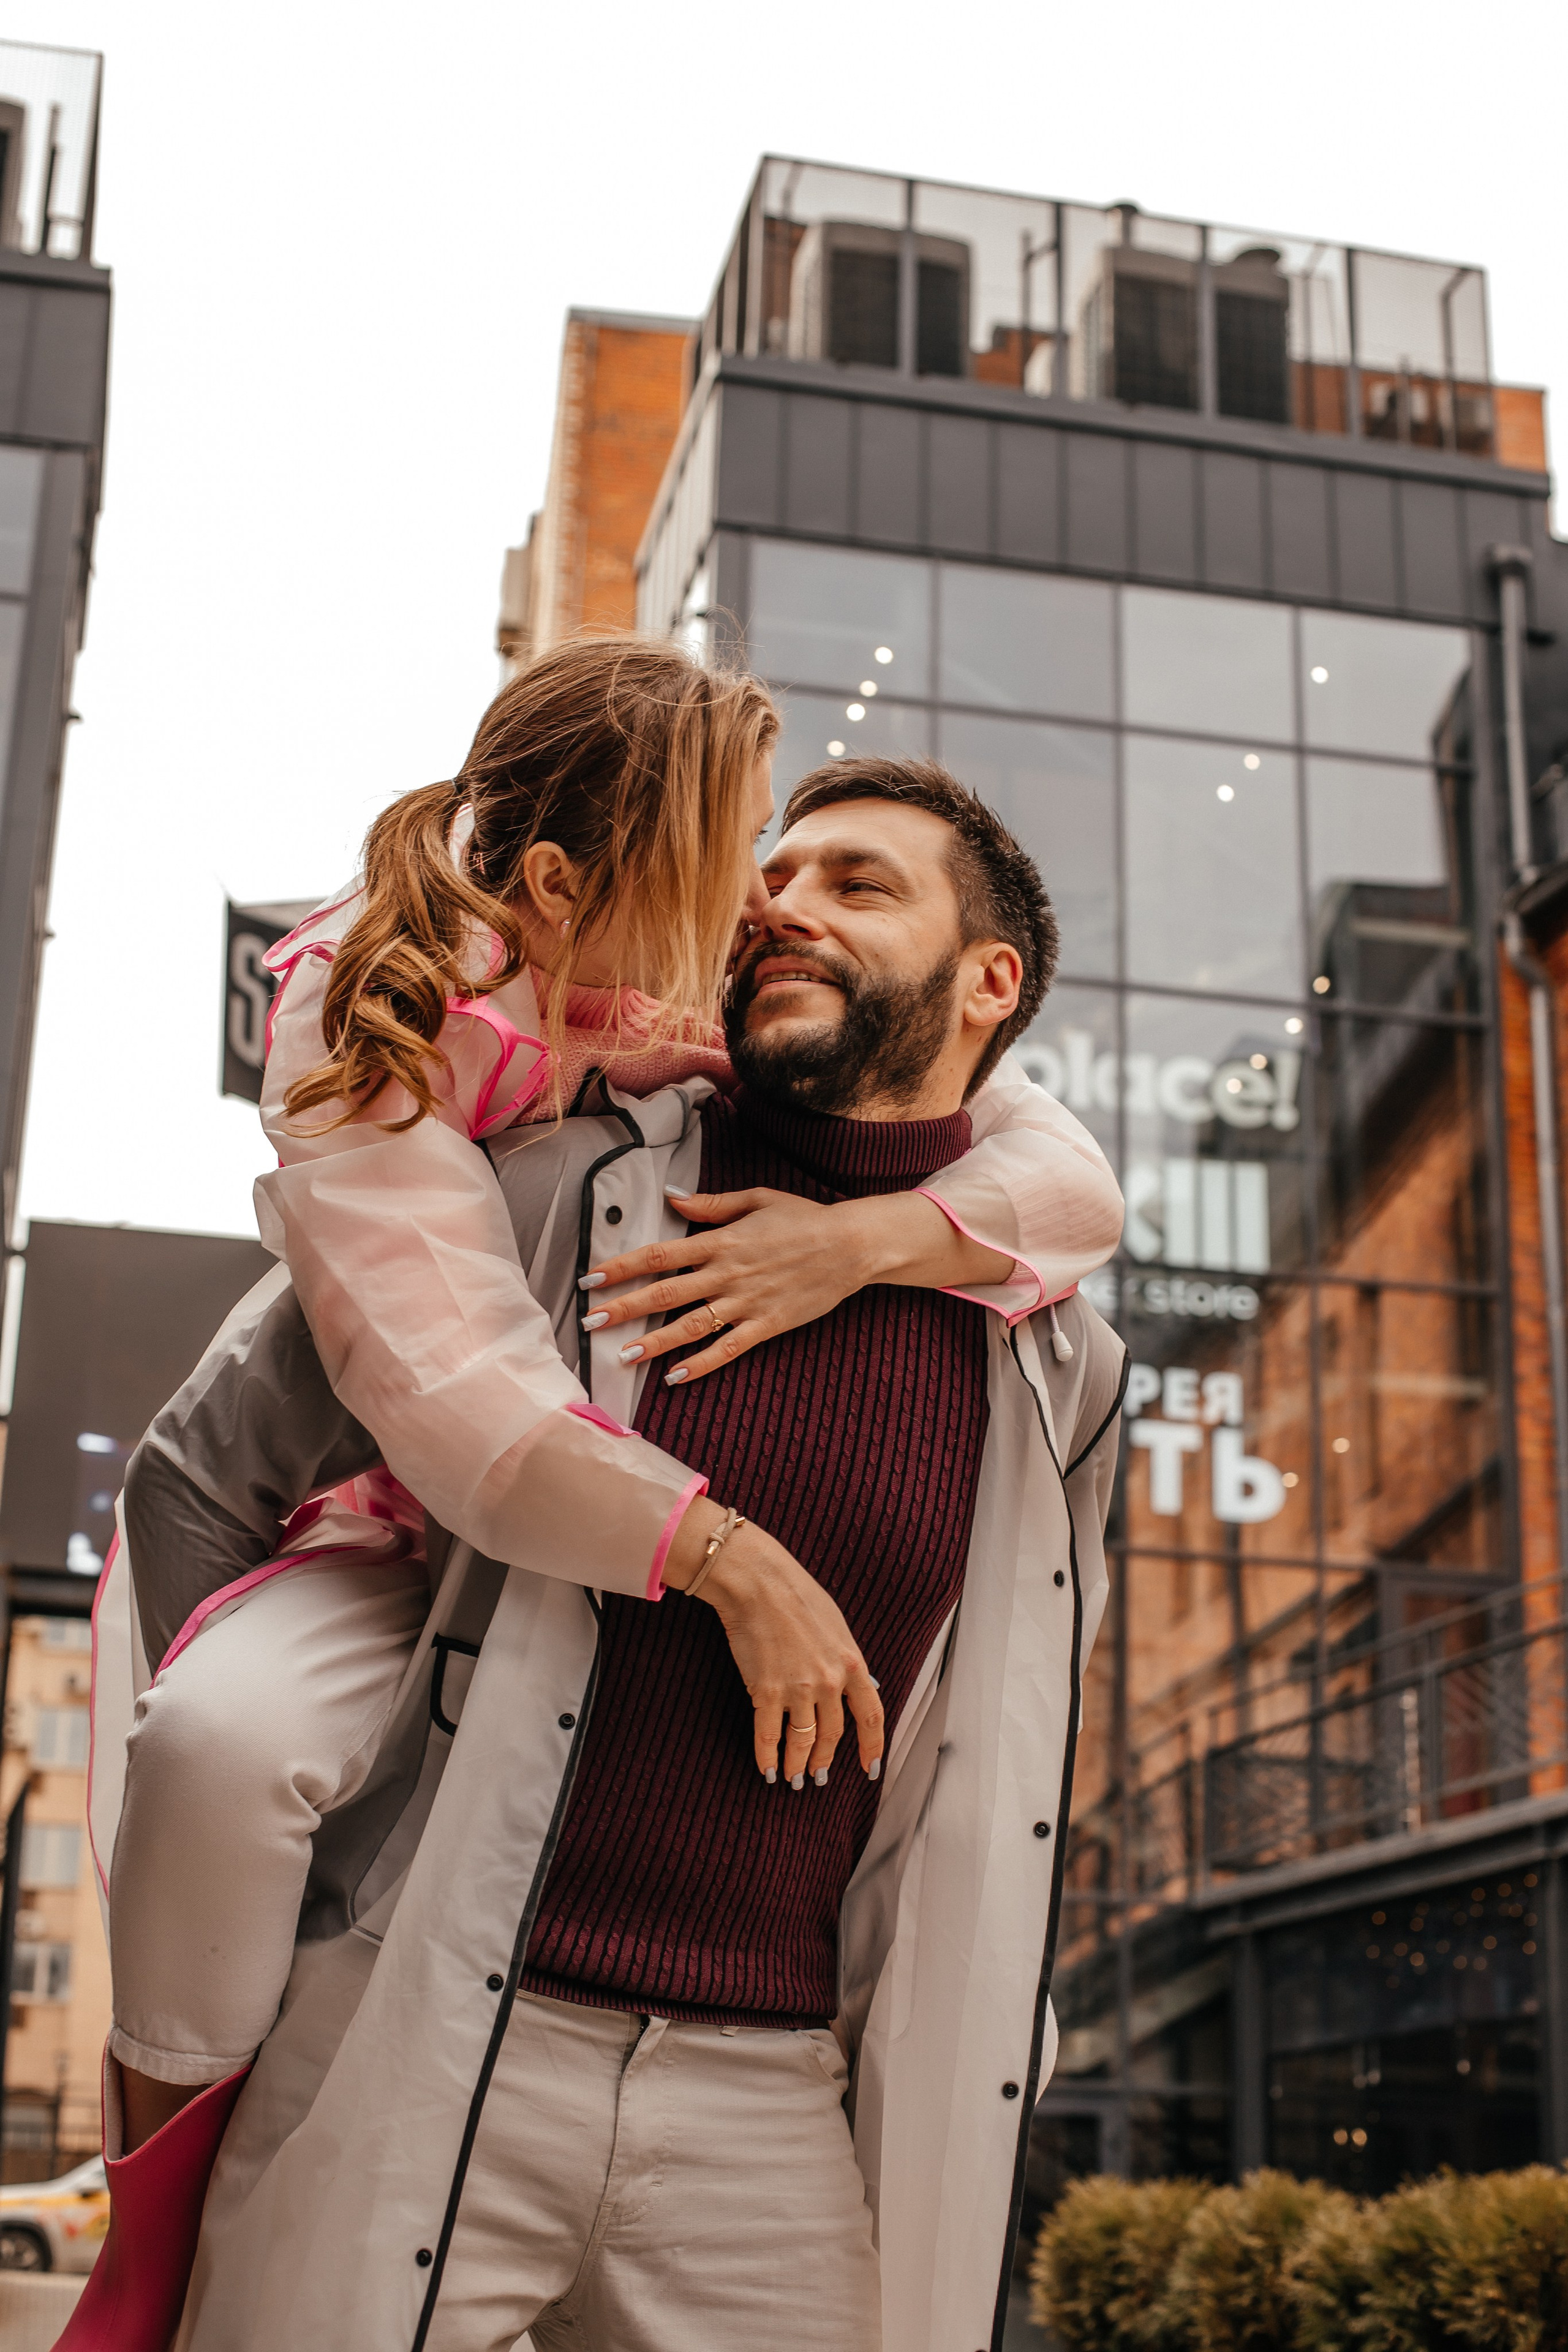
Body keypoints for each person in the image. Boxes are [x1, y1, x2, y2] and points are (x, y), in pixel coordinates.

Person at [66, 647, 1122, 2351]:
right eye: (766, 869)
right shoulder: (543, 1168)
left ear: (989, 982)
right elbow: (274, 1436)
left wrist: (865, 1241)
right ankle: (160, 2159)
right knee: (223, 1746)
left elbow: (993, 1744)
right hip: (434, 2024)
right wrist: (726, 1559)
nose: (780, 904)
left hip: (768, 2095)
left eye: (856, 881)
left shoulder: (1053, 1356)